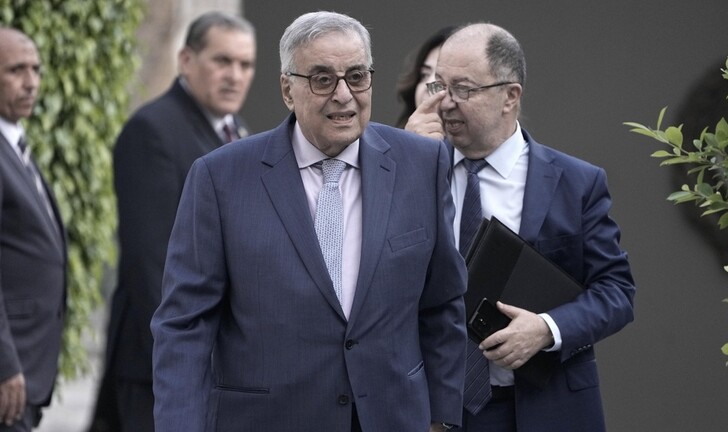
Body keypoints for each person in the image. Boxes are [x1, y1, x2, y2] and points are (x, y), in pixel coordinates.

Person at [151, 11, 467, 432]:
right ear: (288, 89)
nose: (343, 95)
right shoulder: (220, 177)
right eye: (322, 79)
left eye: (357, 77)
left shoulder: (422, 164)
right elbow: (185, 325)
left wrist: (442, 419)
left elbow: (442, 304)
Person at [406, 23, 636, 431]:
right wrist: (407, 159)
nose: (445, 103)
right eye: (439, 86)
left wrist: (547, 329)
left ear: (510, 96)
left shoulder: (576, 182)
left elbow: (616, 292)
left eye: (463, 89)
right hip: (437, 413)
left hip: (546, 407)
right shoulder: (414, 170)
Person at [88, 11, 256, 432]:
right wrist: (192, 360)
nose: (235, 76)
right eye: (222, 61)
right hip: (163, 366)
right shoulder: (152, 130)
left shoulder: (237, 131)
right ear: (186, 60)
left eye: (245, 64)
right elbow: (153, 266)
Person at [0, 27, 67, 431]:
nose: (31, 82)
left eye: (36, 69)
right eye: (16, 70)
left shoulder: (15, 144)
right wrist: (4, 363)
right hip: (10, 371)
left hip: (30, 367)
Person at [394, 26, 456, 128]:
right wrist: (411, 137)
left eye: (442, 75)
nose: (430, 83)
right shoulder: (393, 137)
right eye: (424, 75)